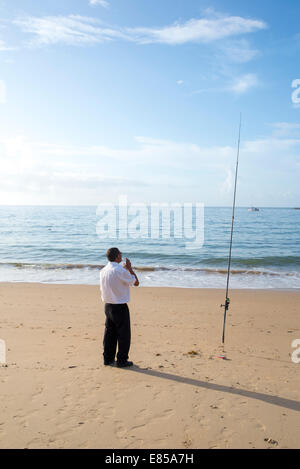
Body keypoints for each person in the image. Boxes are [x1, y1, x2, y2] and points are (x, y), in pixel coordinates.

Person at [100, 247, 139, 368]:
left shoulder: (103, 270)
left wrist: (125, 270)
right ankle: (122, 360)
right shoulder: (120, 271)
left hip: (108, 305)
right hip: (119, 306)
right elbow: (136, 282)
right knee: (123, 335)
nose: (121, 256)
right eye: (120, 254)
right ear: (117, 257)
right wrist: (130, 268)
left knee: (109, 334)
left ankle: (108, 358)